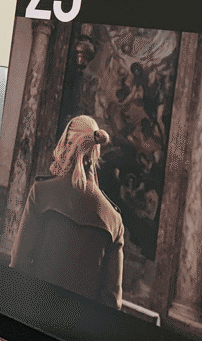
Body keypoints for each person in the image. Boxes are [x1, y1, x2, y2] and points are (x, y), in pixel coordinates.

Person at [9, 115, 124, 309]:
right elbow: (111, 303)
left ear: (66, 144)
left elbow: (19, 266)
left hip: (34, 312)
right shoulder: (114, 219)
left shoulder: (41, 192)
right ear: (96, 150)